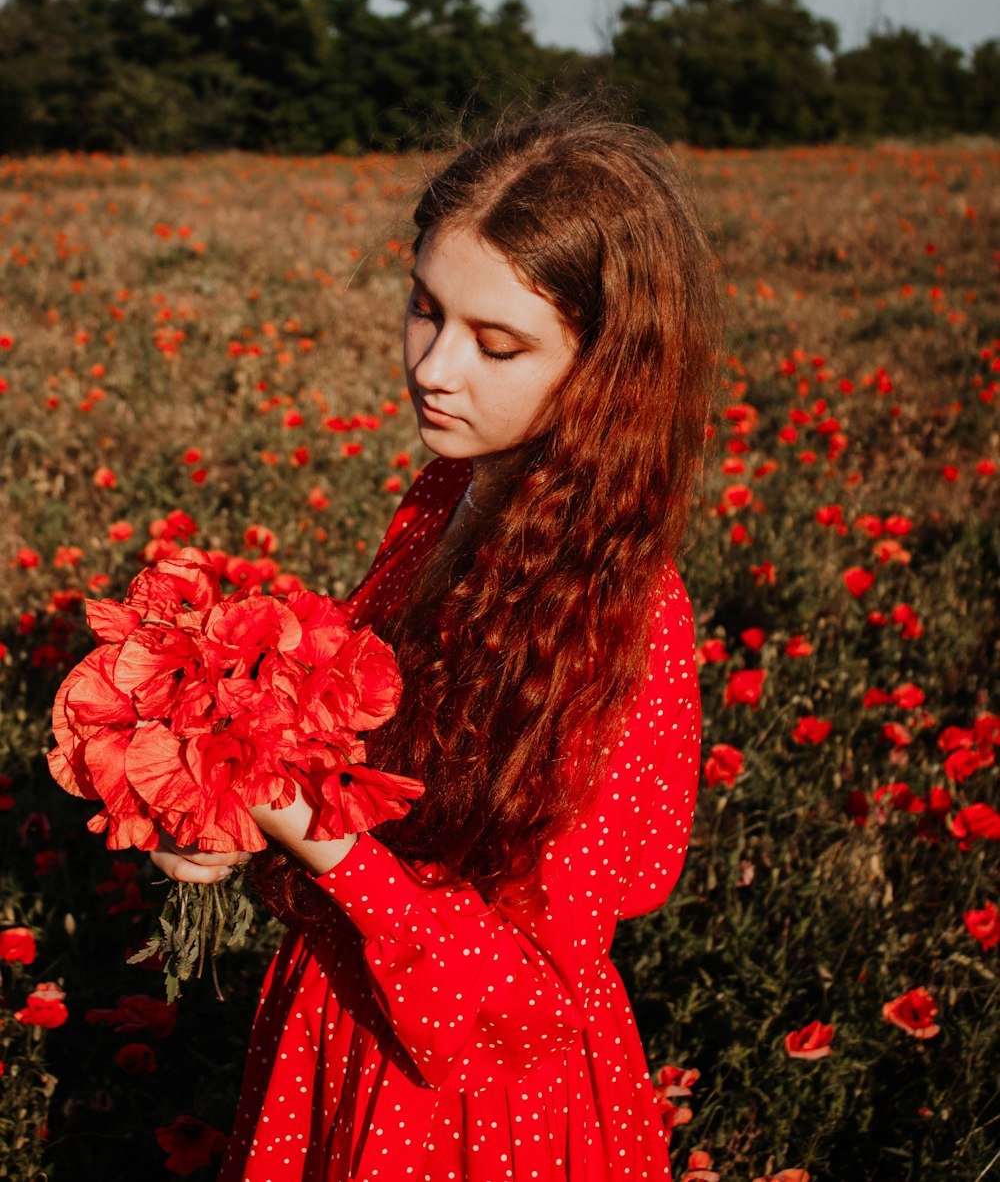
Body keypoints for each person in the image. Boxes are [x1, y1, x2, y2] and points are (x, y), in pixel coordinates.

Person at [152, 109, 722, 1181]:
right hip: (345, 1026)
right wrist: (231, 811)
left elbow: (533, 997)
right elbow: (380, 773)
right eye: (424, 309)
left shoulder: (627, 613)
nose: (433, 367)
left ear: (609, 369)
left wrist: (305, 822)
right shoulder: (447, 497)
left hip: (470, 1105)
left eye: (496, 343)